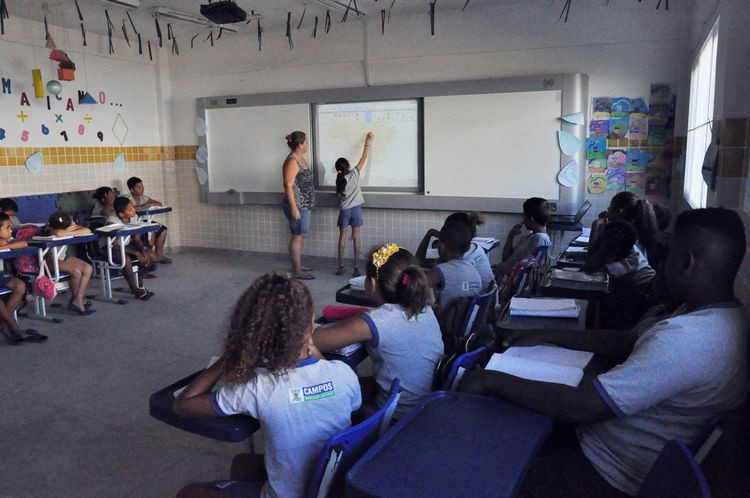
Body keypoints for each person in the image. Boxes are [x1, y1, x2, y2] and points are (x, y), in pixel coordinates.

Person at [460, 207, 748, 497]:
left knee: (483, 466)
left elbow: (581, 406)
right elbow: (625, 341)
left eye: (670, 255)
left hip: (601, 474)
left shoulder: (688, 340)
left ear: (687, 263)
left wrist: (490, 380)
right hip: (605, 449)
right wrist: (543, 335)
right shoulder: (719, 319)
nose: (663, 263)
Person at [174, 273, 361, 498]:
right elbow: (320, 386)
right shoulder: (344, 374)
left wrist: (230, 358)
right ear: (312, 323)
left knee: (189, 492)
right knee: (242, 464)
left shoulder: (258, 387)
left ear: (254, 335)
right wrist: (308, 340)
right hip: (332, 490)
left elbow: (183, 405)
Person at [314, 244, 443, 419]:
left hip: (395, 416)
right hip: (425, 406)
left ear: (372, 283)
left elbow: (316, 340)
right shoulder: (424, 308)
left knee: (327, 391)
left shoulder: (378, 321)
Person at [583, 221, 656, 329]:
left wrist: (603, 250)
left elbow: (589, 271)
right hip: (637, 293)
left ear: (616, 243)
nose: (602, 240)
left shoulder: (631, 261)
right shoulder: (626, 249)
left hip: (646, 294)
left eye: (606, 239)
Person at [416, 212, 494, 290]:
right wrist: (430, 234)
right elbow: (421, 263)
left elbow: (419, 264)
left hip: (472, 299)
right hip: (478, 298)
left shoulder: (456, 261)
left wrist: (430, 234)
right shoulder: (465, 249)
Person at [0, 213, 47, 344]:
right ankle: (13, 325)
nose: (11, 230)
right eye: (7, 227)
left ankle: (5, 323)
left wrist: (4, 246)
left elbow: (23, 243)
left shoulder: (4, 240)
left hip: (0, 274)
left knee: (20, 285)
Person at [335, 131, 374, 277]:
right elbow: (363, 158)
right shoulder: (354, 174)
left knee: (342, 238)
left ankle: (340, 266)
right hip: (356, 210)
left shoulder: (339, 180)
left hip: (344, 211)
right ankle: (356, 267)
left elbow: (338, 195)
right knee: (357, 237)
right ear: (348, 166)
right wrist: (367, 142)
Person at [104, 197, 155, 300]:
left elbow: (136, 239)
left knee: (150, 255)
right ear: (121, 214)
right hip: (110, 248)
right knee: (125, 259)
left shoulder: (133, 217)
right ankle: (134, 288)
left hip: (126, 245)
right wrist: (136, 253)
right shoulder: (112, 221)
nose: (134, 210)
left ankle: (140, 283)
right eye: (130, 209)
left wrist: (142, 251)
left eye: (133, 207)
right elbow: (114, 245)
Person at [589, 192, 658, 268]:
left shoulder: (623, 236)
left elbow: (592, 262)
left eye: (610, 206)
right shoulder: (634, 231)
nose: (608, 209)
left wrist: (596, 223)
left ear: (619, 211)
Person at [46, 212, 96, 316]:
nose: (74, 223)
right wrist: (72, 231)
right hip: (49, 262)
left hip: (62, 258)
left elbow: (87, 230)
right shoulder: (49, 231)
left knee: (88, 268)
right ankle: (76, 301)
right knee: (76, 272)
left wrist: (69, 231)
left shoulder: (63, 229)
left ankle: (78, 298)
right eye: (72, 221)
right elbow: (58, 234)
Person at [282, 131, 315, 280]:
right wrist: (294, 208)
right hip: (298, 205)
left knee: (300, 236)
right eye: (306, 142)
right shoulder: (292, 161)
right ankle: (296, 271)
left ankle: (298, 265)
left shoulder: (300, 158)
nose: (307, 144)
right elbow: (288, 186)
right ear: (300, 145)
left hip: (305, 204)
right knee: (297, 236)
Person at [428, 221, 483, 312]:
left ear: (441, 246)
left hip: (443, 323)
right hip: (465, 324)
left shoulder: (440, 271)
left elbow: (416, 287)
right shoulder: (475, 271)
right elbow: (463, 286)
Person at [496, 197, 551, 276]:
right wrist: (511, 236)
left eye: (524, 215)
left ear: (531, 218)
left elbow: (523, 270)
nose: (522, 219)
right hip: (502, 274)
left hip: (505, 280)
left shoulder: (538, 239)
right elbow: (506, 259)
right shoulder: (530, 237)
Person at [126, 177, 172, 264]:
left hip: (143, 222)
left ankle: (159, 255)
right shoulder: (127, 199)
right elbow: (130, 209)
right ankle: (149, 255)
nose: (142, 189)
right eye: (139, 187)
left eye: (142, 186)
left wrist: (147, 204)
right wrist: (143, 206)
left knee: (162, 229)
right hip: (132, 224)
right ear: (132, 190)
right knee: (151, 230)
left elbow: (159, 203)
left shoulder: (144, 198)